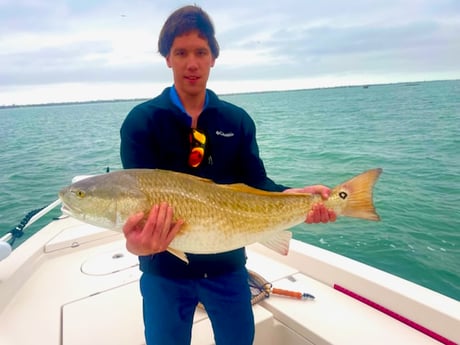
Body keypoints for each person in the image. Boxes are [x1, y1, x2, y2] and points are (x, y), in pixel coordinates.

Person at [120, 5, 336, 345]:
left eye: (201, 52)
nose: (191, 63)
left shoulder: (236, 121)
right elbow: (134, 198)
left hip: (228, 268)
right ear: (168, 59)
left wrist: (295, 195)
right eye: (181, 52)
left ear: (213, 58)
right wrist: (135, 244)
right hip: (164, 273)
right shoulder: (142, 122)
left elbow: (257, 185)